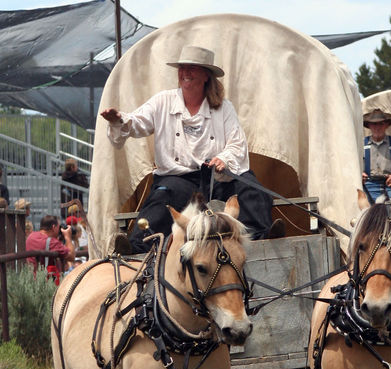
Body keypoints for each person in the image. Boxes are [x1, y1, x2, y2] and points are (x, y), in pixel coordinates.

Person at [101, 45, 283, 254]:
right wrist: (120, 119)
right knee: (161, 198)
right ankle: (137, 248)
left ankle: (261, 240)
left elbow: (236, 143)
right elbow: (137, 121)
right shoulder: (163, 101)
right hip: (177, 179)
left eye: (192, 68)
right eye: (182, 68)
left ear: (206, 75)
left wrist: (223, 159)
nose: (185, 73)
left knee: (253, 189)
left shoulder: (224, 108)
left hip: (218, 179)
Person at [362, 109, 391, 202]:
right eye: (374, 124)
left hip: (389, 185)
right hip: (368, 184)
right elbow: (352, 167)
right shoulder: (361, 145)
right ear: (369, 125)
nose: (377, 127)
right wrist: (359, 175)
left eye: (381, 124)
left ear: (386, 125)